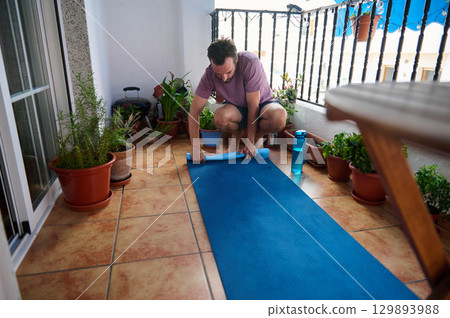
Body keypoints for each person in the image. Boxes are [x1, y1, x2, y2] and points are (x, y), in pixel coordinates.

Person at [188, 38, 287, 162]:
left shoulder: (250, 62)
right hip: (237, 108)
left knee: (279, 117)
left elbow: (253, 105)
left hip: (262, 105)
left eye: (228, 72)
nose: (223, 78)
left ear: (236, 60)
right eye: (219, 74)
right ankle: (237, 133)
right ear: (211, 63)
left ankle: (258, 136)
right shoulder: (209, 75)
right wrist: (195, 147)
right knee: (220, 118)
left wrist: (250, 141)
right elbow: (194, 112)